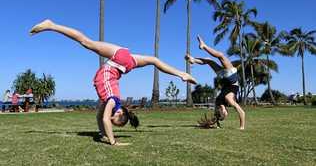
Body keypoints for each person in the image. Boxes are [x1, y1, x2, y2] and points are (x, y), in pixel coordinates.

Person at [30, 19, 197, 145]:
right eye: (113, 120)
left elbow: (99, 118)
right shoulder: (112, 100)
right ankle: (51, 25)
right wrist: (113, 142)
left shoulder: (111, 102)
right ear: (119, 113)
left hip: (123, 64)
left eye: (111, 121)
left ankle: (181, 74)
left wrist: (103, 134)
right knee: (86, 42)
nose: (109, 119)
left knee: (153, 59)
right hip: (118, 63)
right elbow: (104, 119)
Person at [185, 35, 245, 130]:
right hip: (227, 78)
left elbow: (241, 112)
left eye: (225, 113)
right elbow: (239, 112)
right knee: (212, 60)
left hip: (229, 78)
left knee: (218, 57)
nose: (226, 113)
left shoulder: (224, 101)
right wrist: (240, 126)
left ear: (224, 111)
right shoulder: (220, 102)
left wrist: (242, 126)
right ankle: (196, 56)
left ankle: (199, 52)